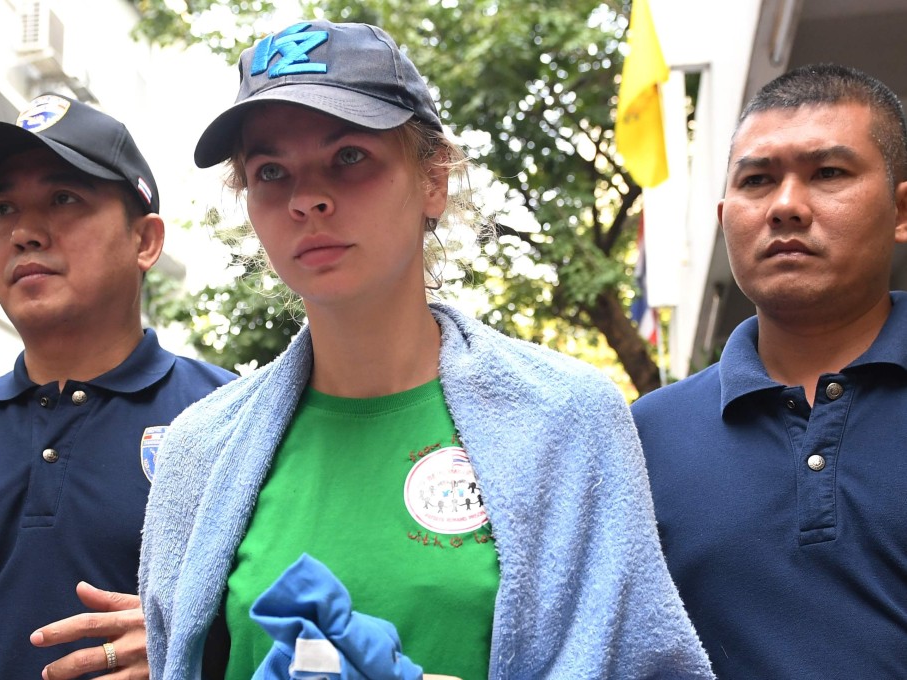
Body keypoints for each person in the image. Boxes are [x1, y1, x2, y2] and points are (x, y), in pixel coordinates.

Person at [138, 19, 714, 680]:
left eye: (349, 156)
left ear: (433, 178)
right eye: (271, 171)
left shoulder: (569, 419)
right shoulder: (198, 452)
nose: (307, 199)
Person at [0, 94, 235, 679]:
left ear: (146, 241)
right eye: (2, 208)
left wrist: (198, 648)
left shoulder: (235, 421)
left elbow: (309, 635)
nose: (24, 231)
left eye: (63, 198)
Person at [631, 63, 907, 678]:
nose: (785, 206)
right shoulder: (644, 437)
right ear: (725, 216)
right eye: (758, 181)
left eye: (828, 173)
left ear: (900, 210)